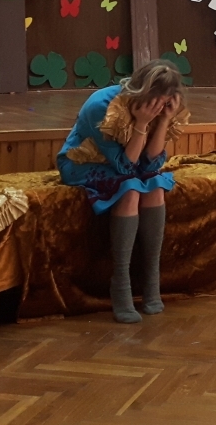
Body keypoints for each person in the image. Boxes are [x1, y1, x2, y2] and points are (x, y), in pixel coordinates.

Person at [57, 59, 190, 323]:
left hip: (128, 161)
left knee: (155, 187)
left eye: (165, 103)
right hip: (84, 162)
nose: (159, 107)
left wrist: (163, 120)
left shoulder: (162, 108)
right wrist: (142, 122)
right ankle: (120, 284)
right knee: (130, 188)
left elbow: (151, 164)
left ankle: (151, 281)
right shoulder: (102, 106)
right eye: (156, 102)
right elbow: (125, 166)